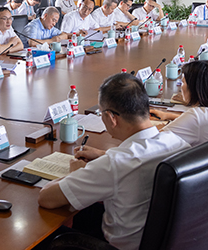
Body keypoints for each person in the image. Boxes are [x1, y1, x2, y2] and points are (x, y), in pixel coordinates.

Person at [38, 73, 189, 250]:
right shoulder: (178, 143)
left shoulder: (115, 163)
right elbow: (135, 161)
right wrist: (103, 156)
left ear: (111, 118)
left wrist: (76, 172)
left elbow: (46, 198)